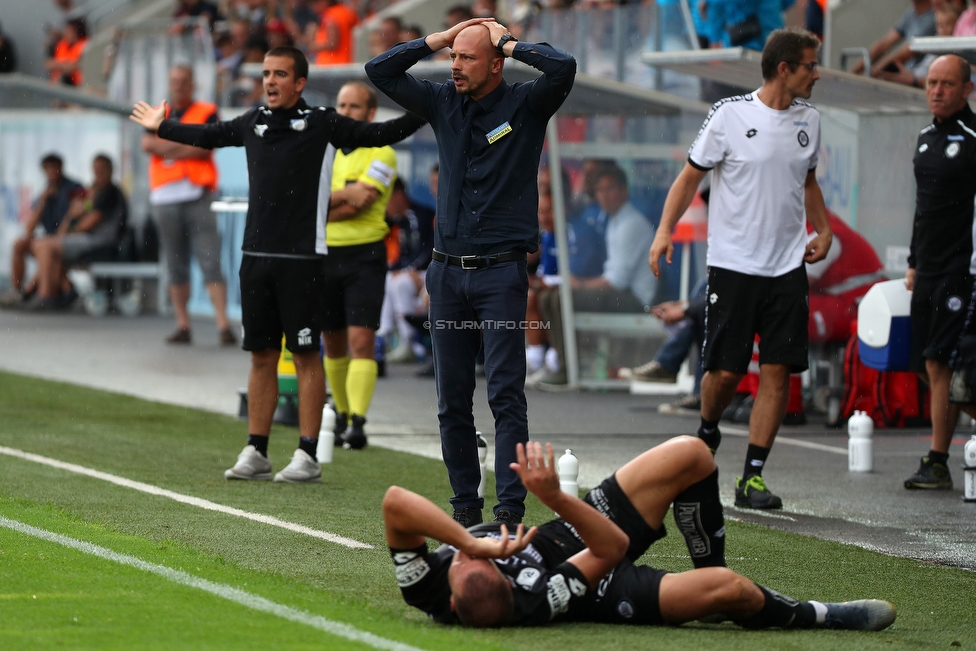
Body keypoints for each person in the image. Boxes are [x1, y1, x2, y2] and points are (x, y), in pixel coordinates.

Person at [130, 45, 425, 484]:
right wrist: (164, 125)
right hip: (256, 259)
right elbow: (208, 137)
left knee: (306, 355)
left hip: (304, 261)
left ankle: (307, 454)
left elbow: (379, 135)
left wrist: (429, 110)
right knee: (261, 355)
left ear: (299, 82)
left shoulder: (323, 123)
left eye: (280, 74)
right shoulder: (253, 122)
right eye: (267, 73)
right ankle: (257, 449)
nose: (270, 81)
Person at [367, 18, 576, 527]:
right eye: (453, 57)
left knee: (505, 394)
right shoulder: (442, 100)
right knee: (451, 398)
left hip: (500, 276)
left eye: (467, 57)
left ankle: (508, 509)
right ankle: (465, 507)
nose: (455, 66)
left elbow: (564, 67)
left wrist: (509, 40)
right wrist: (436, 41)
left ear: (497, 64)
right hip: (445, 276)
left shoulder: (526, 104)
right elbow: (380, 71)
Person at [383, 437, 897, 631]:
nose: (486, 558)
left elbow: (395, 504)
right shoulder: (538, 600)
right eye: (485, 566)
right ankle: (820, 615)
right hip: (601, 581)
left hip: (565, 531)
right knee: (732, 590)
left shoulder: (426, 584)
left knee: (692, 455)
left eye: (472, 560)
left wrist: (471, 543)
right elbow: (611, 549)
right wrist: (557, 497)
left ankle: (707, 569)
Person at [649, 28, 832, 510]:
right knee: (726, 375)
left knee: (778, 371)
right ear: (784, 68)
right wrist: (664, 230)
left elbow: (808, 182)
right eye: (811, 64)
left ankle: (752, 478)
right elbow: (690, 178)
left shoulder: (810, 120)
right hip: (732, 266)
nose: (818, 73)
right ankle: (707, 433)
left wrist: (824, 229)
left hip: (787, 267)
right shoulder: (729, 115)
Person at [903, 54, 976, 490]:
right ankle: (938, 459)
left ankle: (937, 459)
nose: (937, 90)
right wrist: (913, 261)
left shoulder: (973, 137)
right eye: (931, 82)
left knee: (941, 363)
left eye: (948, 84)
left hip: (961, 269)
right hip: (927, 269)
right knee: (929, 367)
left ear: (967, 89)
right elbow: (922, 208)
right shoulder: (926, 136)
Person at [321, 81, 400, 450]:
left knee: (360, 341)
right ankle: (339, 411)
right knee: (332, 343)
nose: (346, 112)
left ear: (370, 115)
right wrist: (332, 201)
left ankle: (358, 421)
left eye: (355, 106)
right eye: (342, 105)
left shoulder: (383, 153)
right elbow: (304, 201)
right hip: (324, 255)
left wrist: (319, 206)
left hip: (364, 256)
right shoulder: (324, 151)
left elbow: (359, 205)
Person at [535, 164, 658, 387]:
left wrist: (579, 284)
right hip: (620, 291)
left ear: (623, 190)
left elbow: (616, 282)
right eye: (600, 190)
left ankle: (569, 367)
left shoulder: (630, 223)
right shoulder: (614, 219)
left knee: (562, 297)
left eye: (610, 188)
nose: (604, 195)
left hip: (635, 298)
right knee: (548, 297)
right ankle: (563, 362)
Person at [143, 64, 235, 346]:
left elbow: (206, 147)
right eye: (175, 81)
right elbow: (148, 144)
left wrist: (169, 146)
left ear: (193, 84)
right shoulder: (161, 111)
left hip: (196, 193)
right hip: (165, 195)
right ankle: (183, 324)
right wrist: (186, 148)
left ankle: (222, 324)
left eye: (184, 81)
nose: (179, 86)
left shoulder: (206, 110)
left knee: (210, 260)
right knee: (175, 263)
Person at [26, 154, 128, 311]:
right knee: (41, 244)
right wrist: (72, 214)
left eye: (101, 171)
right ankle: (62, 289)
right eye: (95, 171)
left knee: (46, 247)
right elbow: (78, 216)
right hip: (86, 238)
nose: (98, 175)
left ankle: (45, 295)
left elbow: (88, 223)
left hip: (101, 241)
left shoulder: (109, 193)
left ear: (110, 171)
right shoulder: (92, 192)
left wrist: (72, 227)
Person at [0, 155, 84, 308]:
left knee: (46, 248)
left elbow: (75, 219)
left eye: (55, 167)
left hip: (67, 238)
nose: (53, 172)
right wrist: (43, 200)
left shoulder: (75, 189)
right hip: (49, 238)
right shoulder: (45, 191)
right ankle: (18, 289)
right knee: (20, 244)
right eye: (49, 168)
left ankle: (41, 294)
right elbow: (29, 228)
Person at [850, 0, 935, 77]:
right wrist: (853, 73)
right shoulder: (912, 12)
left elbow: (904, 53)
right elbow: (884, 44)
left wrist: (871, 74)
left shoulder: (934, 17)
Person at [309, 0, 359, 65]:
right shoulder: (346, 11)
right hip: (347, 62)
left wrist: (314, 46)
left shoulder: (330, 15)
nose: (312, 8)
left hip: (330, 65)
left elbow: (332, 43)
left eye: (314, 3)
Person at [47, 18, 87, 87]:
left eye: (68, 31)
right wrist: (63, 65)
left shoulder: (84, 45)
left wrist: (58, 65)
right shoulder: (62, 45)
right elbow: (48, 64)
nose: (65, 33)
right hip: (61, 84)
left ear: (75, 32)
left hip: (79, 84)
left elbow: (75, 66)